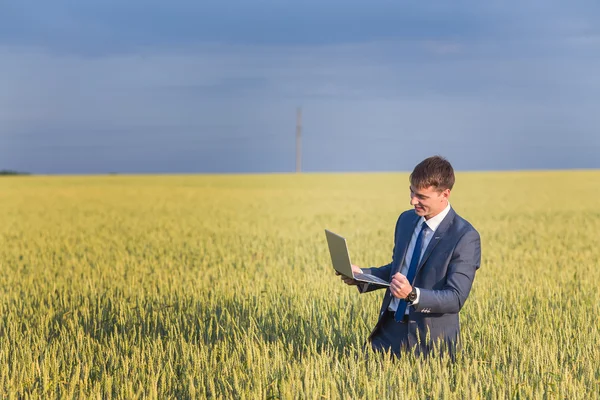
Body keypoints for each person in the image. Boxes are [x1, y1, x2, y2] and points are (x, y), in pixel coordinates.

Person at [339, 155, 481, 358]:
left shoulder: (465, 237)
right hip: (388, 332)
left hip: (429, 342)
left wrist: (412, 295)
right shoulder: (406, 220)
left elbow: (455, 298)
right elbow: (399, 270)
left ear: (445, 194)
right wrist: (362, 275)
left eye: (422, 197)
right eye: (412, 192)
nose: (413, 201)